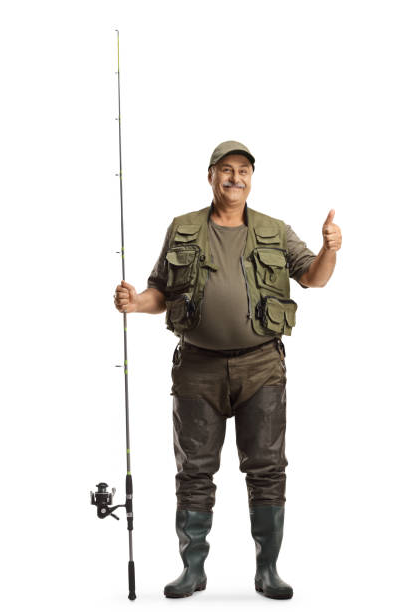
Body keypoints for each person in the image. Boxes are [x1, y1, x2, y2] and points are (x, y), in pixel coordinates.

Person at [113, 140, 342, 599]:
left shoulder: (275, 231)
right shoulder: (182, 229)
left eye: (243, 170)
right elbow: (161, 291)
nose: (234, 178)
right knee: (194, 471)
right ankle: (192, 570)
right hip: (197, 368)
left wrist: (328, 248)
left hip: (261, 367)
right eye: (225, 170)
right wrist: (137, 303)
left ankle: (268, 570)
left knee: (267, 468)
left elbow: (313, 278)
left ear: (251, 179)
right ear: (211, 175)